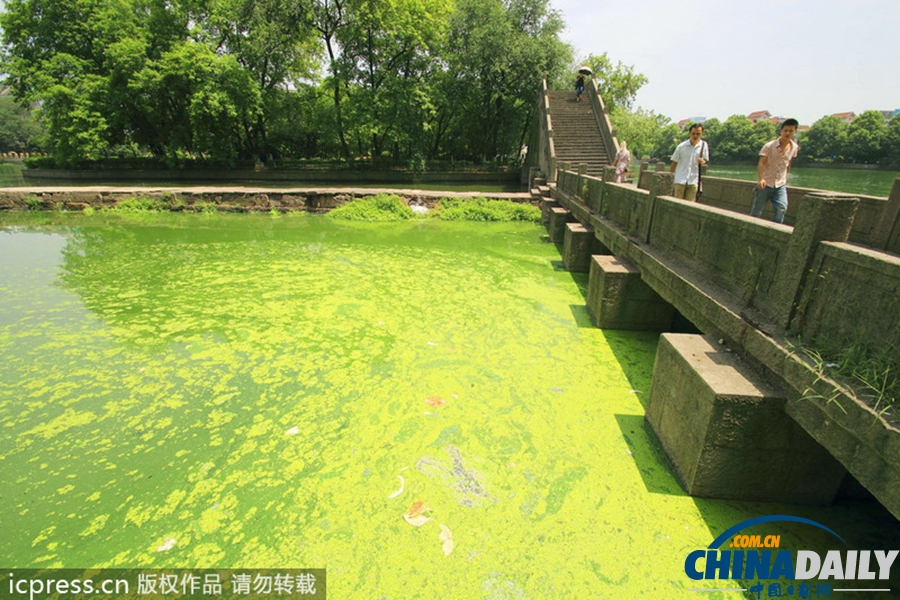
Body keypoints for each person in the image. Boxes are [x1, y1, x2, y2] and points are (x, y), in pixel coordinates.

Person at [750, 118, 799, 223]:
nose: (787, 133)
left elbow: (789, 162)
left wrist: (785, 176)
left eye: (791, 131)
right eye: (785, 130)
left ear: (795, 131)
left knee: (782, 208)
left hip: (780, 184)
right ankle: (749, 227)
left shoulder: (794, 147)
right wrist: (761, 179)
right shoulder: (769, 146)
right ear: (781, 131)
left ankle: (774, 227)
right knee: (757, 210)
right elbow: (761, 163)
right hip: (766, 183)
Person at [669, 123, 709, 201]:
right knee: (677, 203)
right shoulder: (681, 146)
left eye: (698, 134)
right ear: (689, 133)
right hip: (680, 179)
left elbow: (705, 160)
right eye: (693, 133)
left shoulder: (704, 145)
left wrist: (702, 161)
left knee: (690, 204)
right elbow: (674, 162)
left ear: (702, 133)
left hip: (694, 180)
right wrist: (669, 177)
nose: (695, 136)